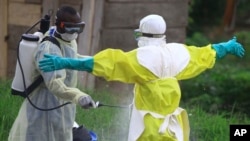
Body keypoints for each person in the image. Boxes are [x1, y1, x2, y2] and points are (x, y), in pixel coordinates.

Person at [38, 14, 245, 141]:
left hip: (147, 129)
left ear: (142, 35)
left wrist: (65, 62)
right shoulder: (178, 54)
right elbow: (205, 54)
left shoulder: (141, 60)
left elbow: (102, 63)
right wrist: (225, 47)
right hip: (174, 129)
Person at [8, 6, 96, 141]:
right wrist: (79, 96)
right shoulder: (48, 49)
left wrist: (93, 64)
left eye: (78, 28)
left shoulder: (68, 40)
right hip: (43, 107)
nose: (74, 32)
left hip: (63, 106)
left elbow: (72, 58)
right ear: (59, 25)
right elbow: (54, 83)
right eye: (70, 28)